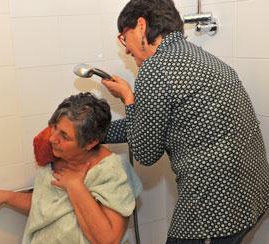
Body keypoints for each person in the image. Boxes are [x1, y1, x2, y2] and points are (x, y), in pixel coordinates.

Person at [100, 0, 269, 243]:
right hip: (251, 195)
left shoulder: (156, 68)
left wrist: (128, 98)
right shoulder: (202, 58)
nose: (126, 50)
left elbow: (145, 152)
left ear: (140, 26)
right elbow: (148, 125)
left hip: (214, 212)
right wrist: (95, 133)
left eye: (124, 38)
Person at [0, 92, 142, 244]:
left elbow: (108, 239)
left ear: (91, 142)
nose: (52, 138)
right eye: (54, 128)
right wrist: (6, 197)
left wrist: (75, 186)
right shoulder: (53, 154)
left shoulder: (111, 171)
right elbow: (47, 205)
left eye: (64, 136)